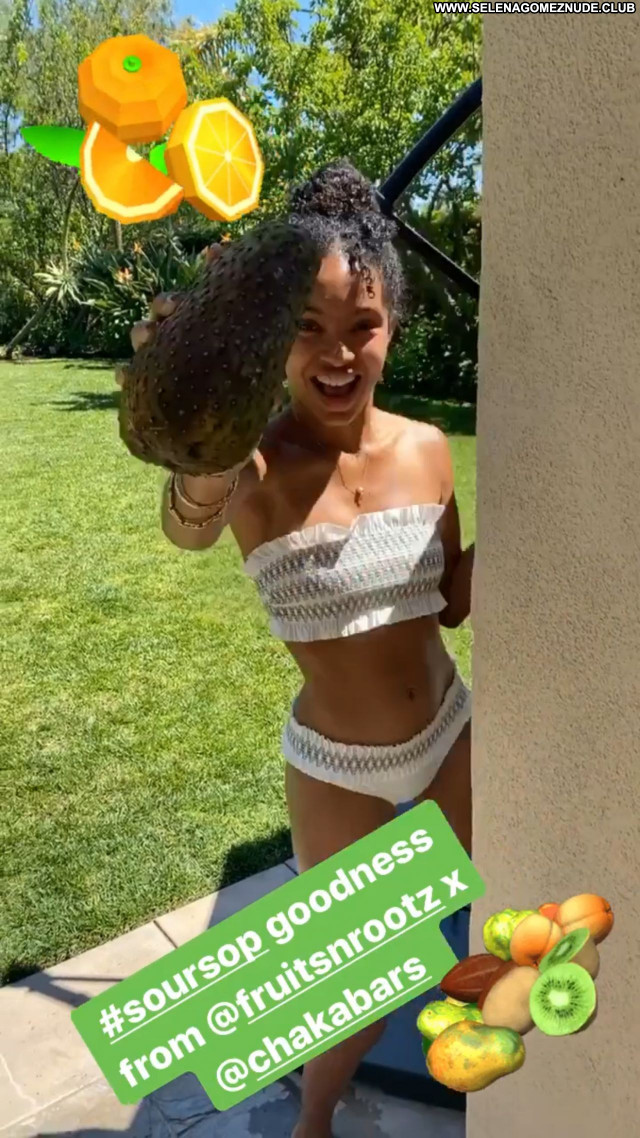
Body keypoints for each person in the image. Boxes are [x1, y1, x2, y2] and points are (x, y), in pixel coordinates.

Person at [127, 158, 474, 1138]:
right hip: (338, 769)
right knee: (358, 987)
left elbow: (449, 602)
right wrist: (190, 417)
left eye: (362, 325)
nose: (336, 353)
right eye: (308, 327)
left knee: (499, 915)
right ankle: (312, 1122)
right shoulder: (254, 465)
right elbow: (188, 526)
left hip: (453, 737)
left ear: (392, 327)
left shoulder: (428, 448)